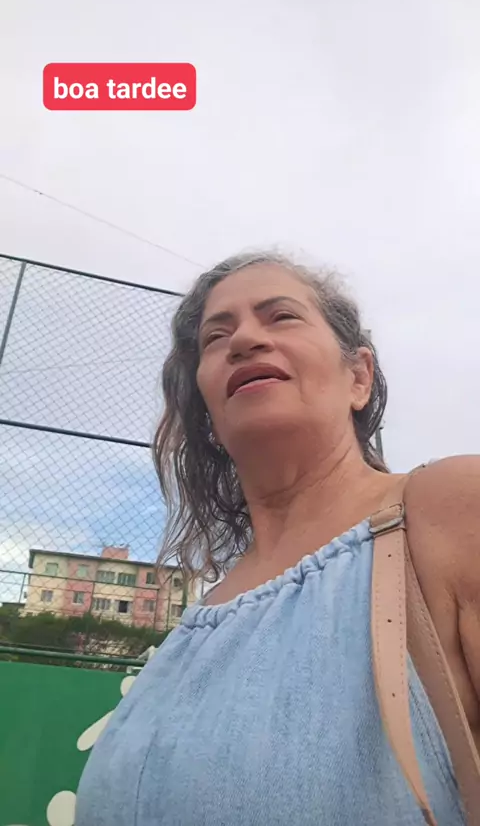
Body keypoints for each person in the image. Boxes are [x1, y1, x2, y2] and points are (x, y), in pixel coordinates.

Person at [75, 250, 480, 825]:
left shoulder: (451, 509)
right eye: (216, 337)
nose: (243, 339)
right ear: (209, 412)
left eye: (281, 316)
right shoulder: (203, 617)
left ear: (358, 377)